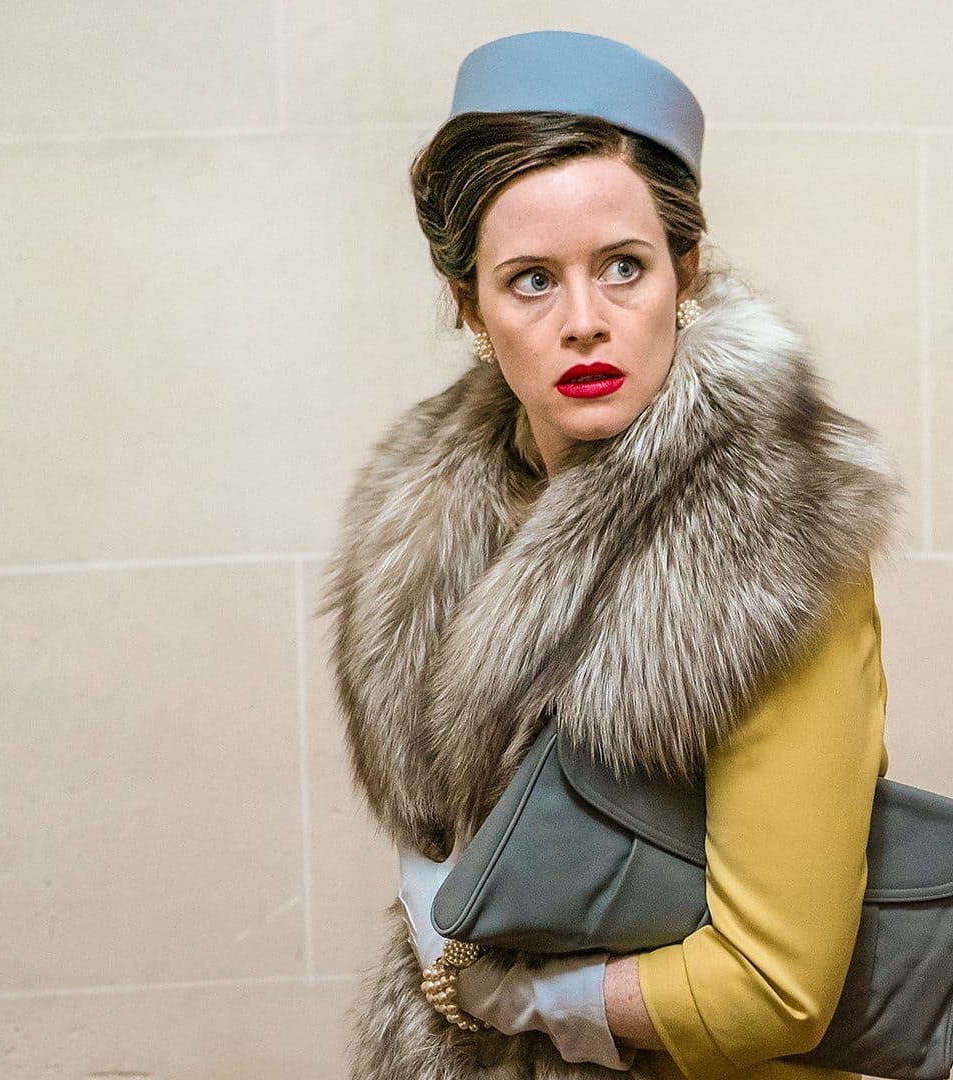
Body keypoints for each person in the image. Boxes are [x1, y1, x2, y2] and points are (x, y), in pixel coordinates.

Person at [321, 30, 905, 1080]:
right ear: (470, 305)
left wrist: (515, 996)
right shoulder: (424, 514)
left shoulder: (776, 538)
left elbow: (778, 985)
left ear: (686, 271)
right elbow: (449, 829)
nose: (584, 322)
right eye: (530, 281)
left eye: (623, 267)